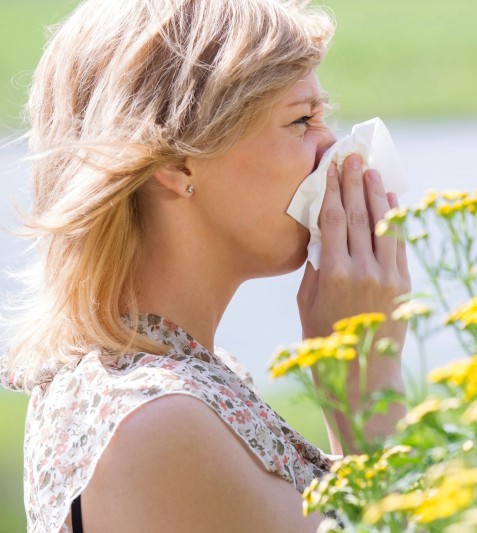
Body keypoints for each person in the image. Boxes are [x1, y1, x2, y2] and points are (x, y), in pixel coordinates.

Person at [0, 0, 410, 531]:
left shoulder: (168, 383)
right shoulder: (161, 419)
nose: (330, 145)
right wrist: (366, 377)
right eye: (301, 119)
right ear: (176, 162)